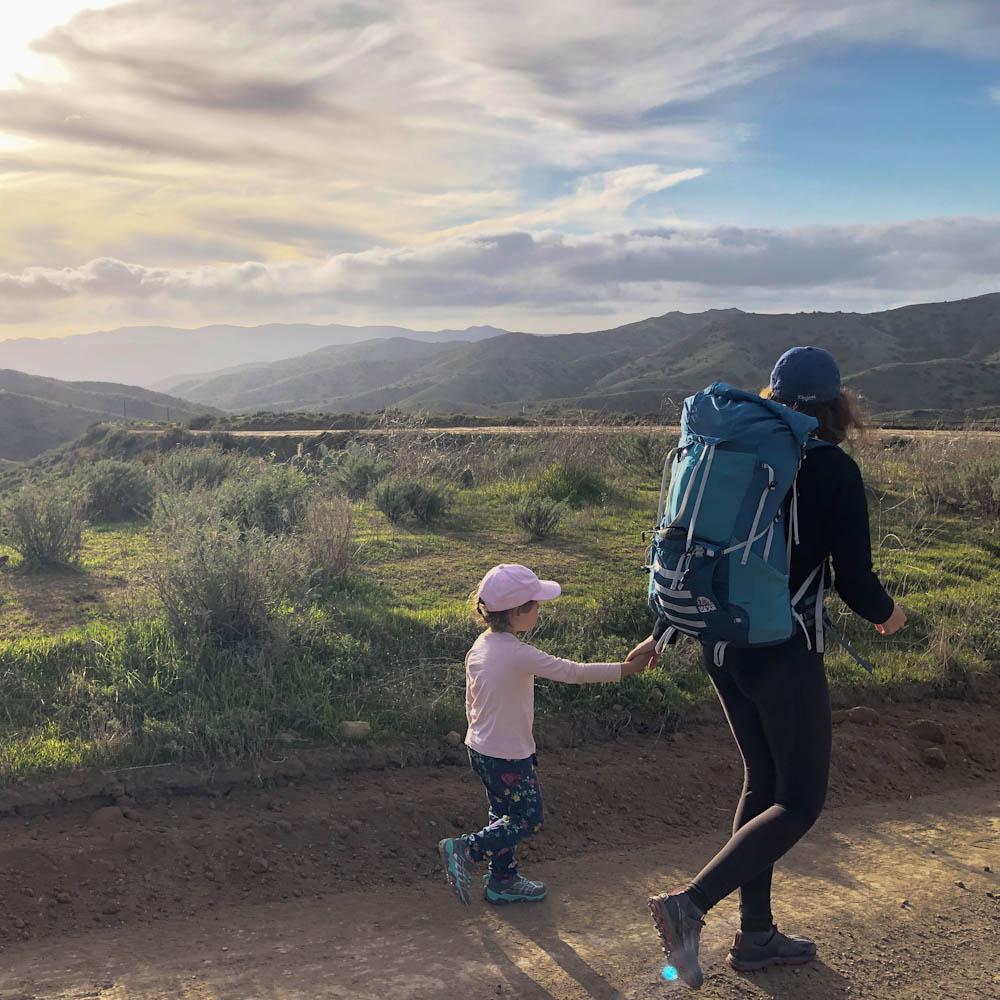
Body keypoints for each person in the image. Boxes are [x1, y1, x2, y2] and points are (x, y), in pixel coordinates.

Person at [629, 347, 907, 988]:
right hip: (784, 648)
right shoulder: (831, 466)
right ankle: (689, 906)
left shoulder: (734, 457)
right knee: (801, 799)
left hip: (719, 641)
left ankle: (755, 937)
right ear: (837, 404)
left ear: (774, 395)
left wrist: (662, 630)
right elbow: (855, 580)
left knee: (763, 783)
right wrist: (889, 617)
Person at [438, 563, 652, 906]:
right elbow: (573, 672)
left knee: (504, 815)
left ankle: (502, 880)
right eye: (535, 604)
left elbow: (471, 699)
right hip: (507, 753)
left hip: (480, 748)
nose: (539, 609)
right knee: (528, 817)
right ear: (517, 611)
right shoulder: (517, 653)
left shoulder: (481, 645)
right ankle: (466, 849)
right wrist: (627, 670)